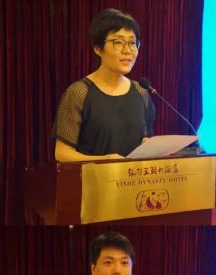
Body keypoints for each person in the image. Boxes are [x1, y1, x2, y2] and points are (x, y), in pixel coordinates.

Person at [52, 9, 155, 162]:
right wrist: (103, 161)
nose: (127, 50)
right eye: (118, 42)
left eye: (132, 43)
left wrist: (147, 144)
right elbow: (62, 153)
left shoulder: (141, 91)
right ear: (98, 48)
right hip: (94, 176)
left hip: (133, 176)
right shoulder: (79, 93)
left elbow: (145, 136)